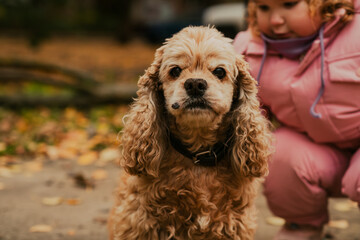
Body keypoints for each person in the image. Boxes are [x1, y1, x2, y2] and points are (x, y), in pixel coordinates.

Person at [233, 0, 360, 239]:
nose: (275, 20)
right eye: (263, 8)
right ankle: (301, 225)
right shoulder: (250, 49)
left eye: (289, 4)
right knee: (277, 150)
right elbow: (247, 112)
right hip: (318, 150)